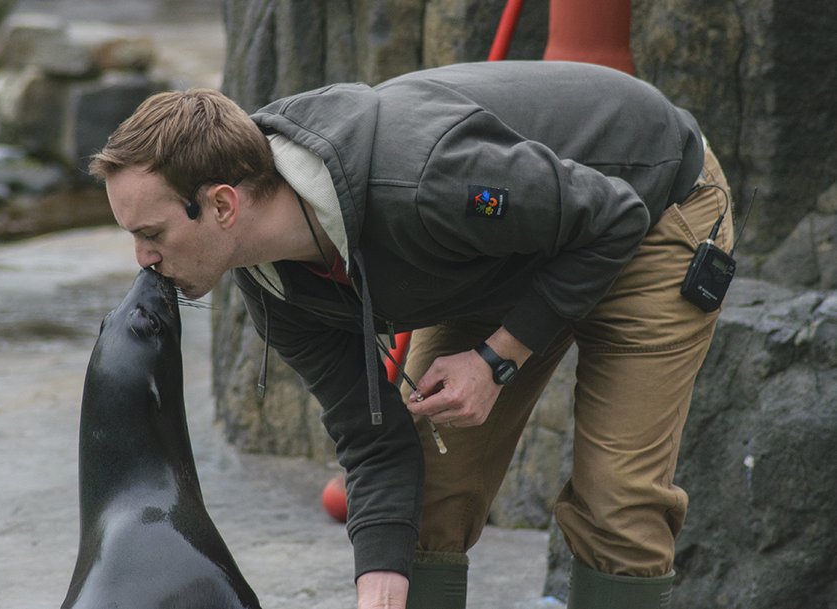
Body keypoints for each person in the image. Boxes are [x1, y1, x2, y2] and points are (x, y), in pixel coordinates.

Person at [88, 60, 734, 609]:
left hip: (653, 210)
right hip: (503, 249)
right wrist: (380, 574)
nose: (142, 260)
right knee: (424, 498)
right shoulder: (273, 283)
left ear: (224, 205)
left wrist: (496, 357)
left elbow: (614, 217)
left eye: (151, 234)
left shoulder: (425, 181)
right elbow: (371, 437)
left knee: (617, 501)